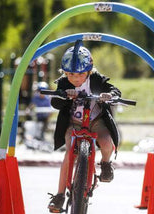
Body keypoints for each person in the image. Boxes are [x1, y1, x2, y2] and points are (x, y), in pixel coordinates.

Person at [48, 41, 121, 213]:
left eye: (80, 74)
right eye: (70, 74)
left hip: (96, 121)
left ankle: (105, 163)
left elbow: (114, 90)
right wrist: (63, 95)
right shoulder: (65, 83)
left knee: (106, 141)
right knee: (68, 154)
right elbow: (55, 102)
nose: (75, 78)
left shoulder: (96, 80)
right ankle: (59, 195)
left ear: (89, 71)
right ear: (65, 73)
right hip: (73, 123)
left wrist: (110, 95)